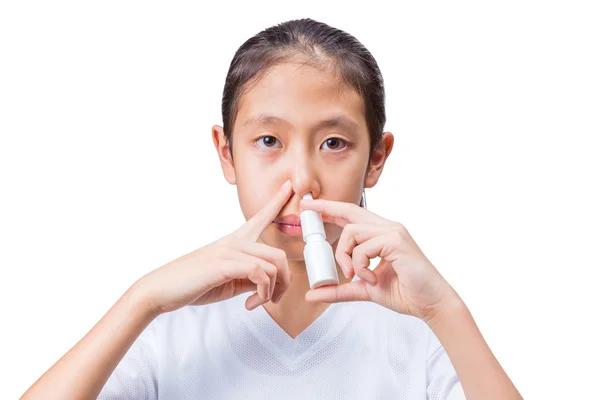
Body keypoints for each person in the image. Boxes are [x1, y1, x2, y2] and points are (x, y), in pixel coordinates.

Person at [22, 18, 522, 400]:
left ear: (376, 158)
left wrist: (445, 310)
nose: (301, 180)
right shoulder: (167, 330)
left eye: (332, 143)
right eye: (268, 140)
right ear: (226, 153)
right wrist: (142, 300)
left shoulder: (423, 333)